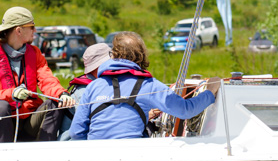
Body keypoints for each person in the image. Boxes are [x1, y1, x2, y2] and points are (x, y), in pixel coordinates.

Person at [68, 32, 219, 140]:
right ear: (141, 56)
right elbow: (185, 110)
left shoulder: (93, 87)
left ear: (113, 55)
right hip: (133, 160)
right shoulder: (149, 85)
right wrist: (210, 92)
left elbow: (76, 132)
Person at [0, 6, 69, 143]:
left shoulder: (35, 53)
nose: (35, 31)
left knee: (55, 103)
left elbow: (47, 79)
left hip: (28, 120)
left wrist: (61, 94)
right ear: (19, 30)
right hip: (1, 120)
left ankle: (45, 154)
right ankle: (5, 154)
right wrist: (11, 94)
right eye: (31, 26)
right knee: (1, 106)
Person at [36, 42, 112, 141]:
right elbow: (79, 132)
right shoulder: (84, 91)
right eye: (110, 62)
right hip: (71, 144)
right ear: (99, 66)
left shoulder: (93, 84)